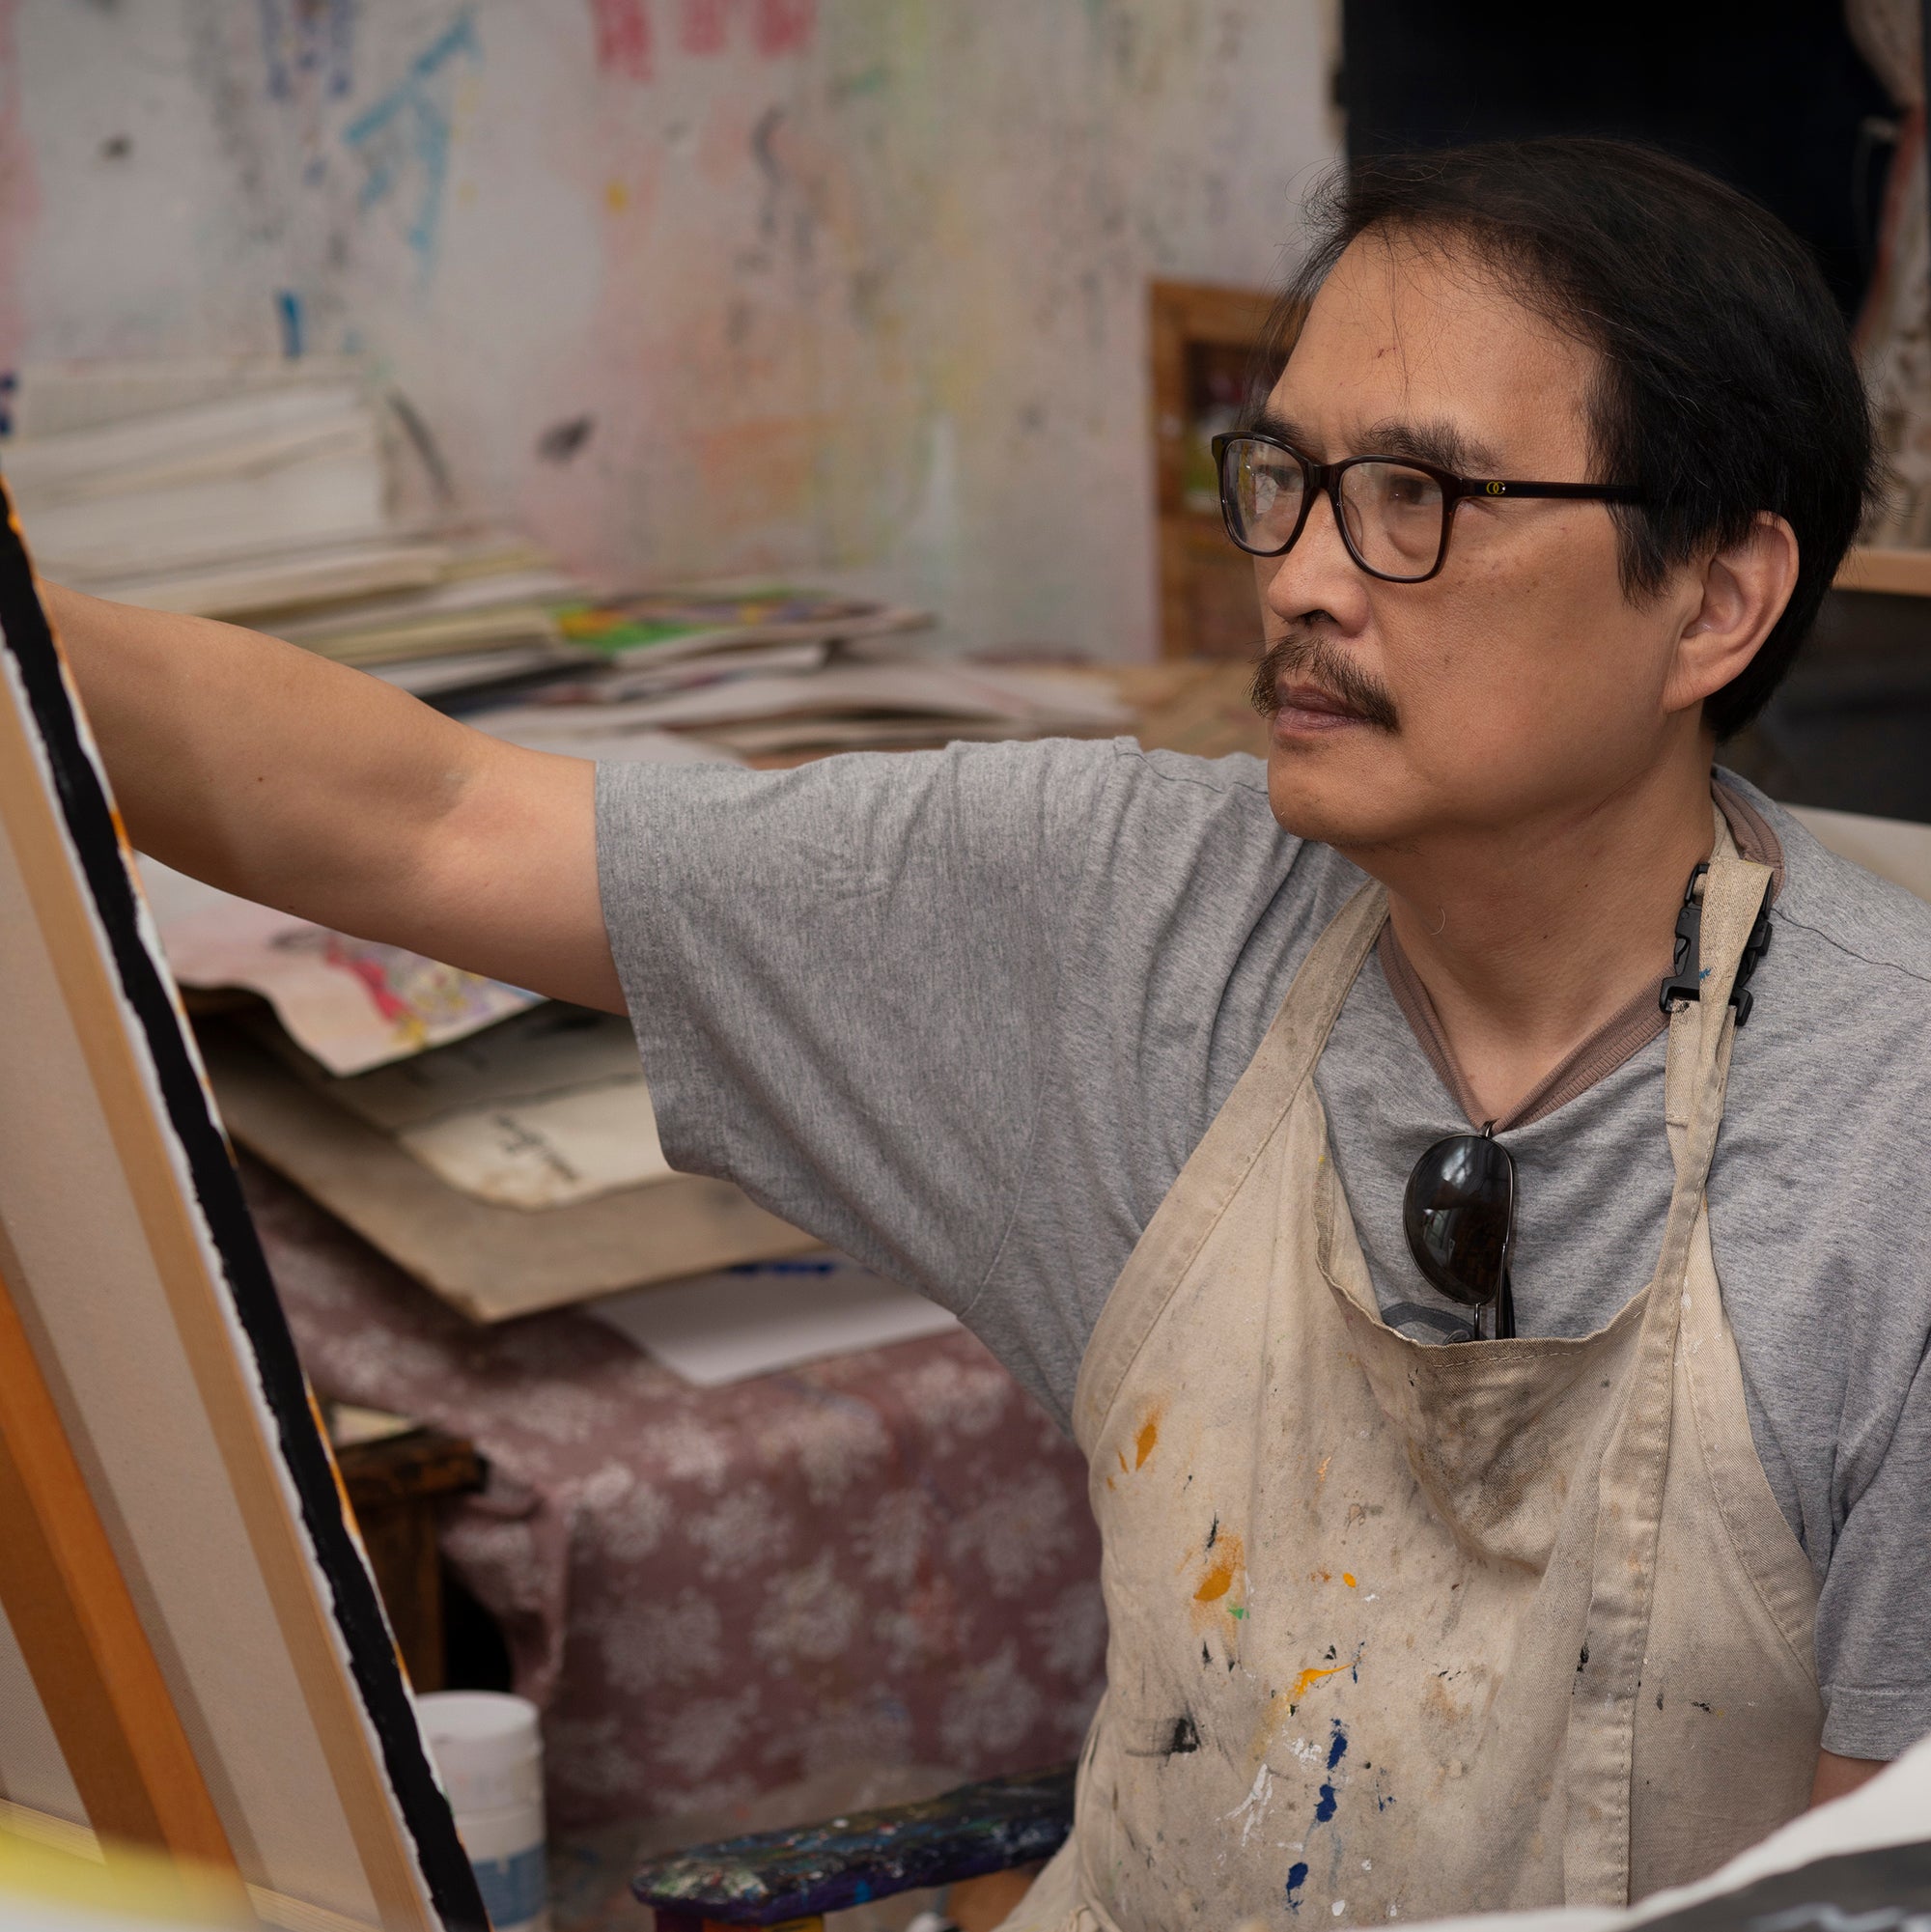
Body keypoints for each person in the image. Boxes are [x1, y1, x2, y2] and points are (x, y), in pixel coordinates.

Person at [45, 138, 1931, 1923]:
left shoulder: (1887, 1140)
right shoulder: (1126, 919)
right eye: (1282, 477)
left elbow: (1875, 1883)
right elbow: (433, 819)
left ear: (1716, 598)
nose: (1302, 575)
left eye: (1418, 500)